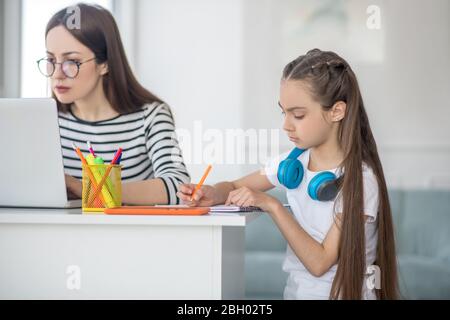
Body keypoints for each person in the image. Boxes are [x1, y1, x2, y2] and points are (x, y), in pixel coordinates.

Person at [177, 49, 398, 299]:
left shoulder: (361, 180)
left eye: (298, 115)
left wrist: (272, 205)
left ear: (337, 111)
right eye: (284, 112)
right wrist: (211, 193)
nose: (286, 125)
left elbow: (320, 263)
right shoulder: (291, 164)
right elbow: (234, 185)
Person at [39, 3, 190, 204]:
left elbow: (179, 186)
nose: (57, 74)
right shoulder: (43, 120)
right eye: (51, 59)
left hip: (131, 235)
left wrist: (91, 188)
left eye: (72, 62)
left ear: (105, 63)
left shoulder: (151, 116)